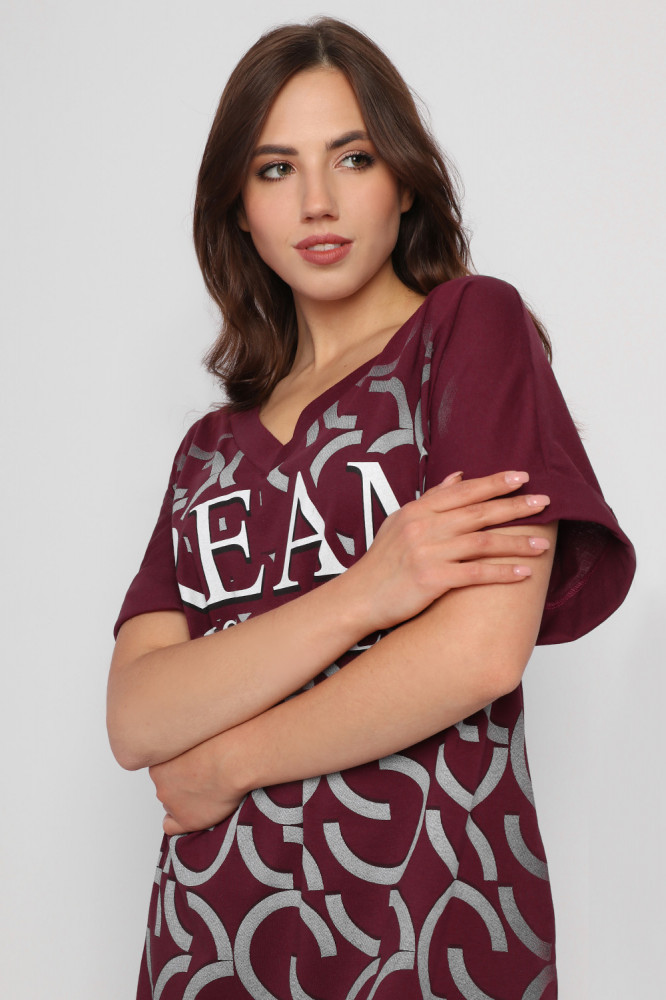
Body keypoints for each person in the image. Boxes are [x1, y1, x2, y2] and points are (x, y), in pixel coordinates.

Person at [107, 17, 635, 999]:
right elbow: (137, 716)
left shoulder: (469, 331)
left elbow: (481, 651)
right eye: (275, 169)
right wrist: (368, 591)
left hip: (426, 920)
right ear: (238, 210)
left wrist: (225, 763)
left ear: (403, 181)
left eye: (352, 158)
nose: (318, 200)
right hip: (212, 931)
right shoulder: (209, 450)